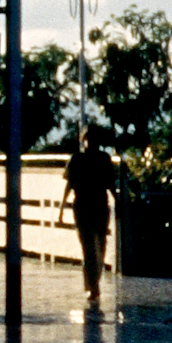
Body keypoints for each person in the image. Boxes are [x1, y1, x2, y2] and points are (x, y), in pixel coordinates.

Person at [58, 124, 117, 298]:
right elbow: (69, 185)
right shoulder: (77, 159)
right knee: (89, 247)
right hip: (83, 207)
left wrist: (118, 201)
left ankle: (93, 282)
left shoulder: (103, 159)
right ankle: (92, 285)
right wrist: (62, 208)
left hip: (98, 206)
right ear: (83, 141)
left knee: (99, 247)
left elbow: (110, 184)